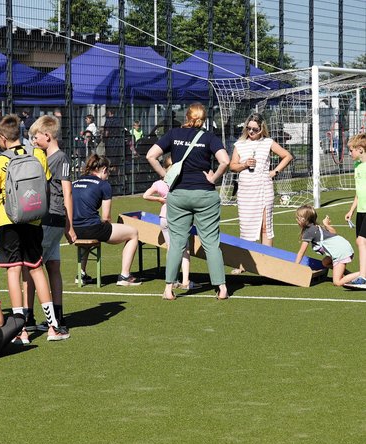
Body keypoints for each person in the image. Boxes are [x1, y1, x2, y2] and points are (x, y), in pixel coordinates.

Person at [0, 114, 69, 343]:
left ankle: (20, 331)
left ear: (2, 138)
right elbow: (46, 188)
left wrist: (4, 215)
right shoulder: (38, 154)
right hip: (34, 220)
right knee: (36, 269)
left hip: (8, 222)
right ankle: (53, 327)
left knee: (13, 271)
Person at [146, 102, 229, 300]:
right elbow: (225, 161)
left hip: (179, 194)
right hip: (205, 194)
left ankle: (168, 289)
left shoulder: (173, 134)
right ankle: (222, 288)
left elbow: (151, 155)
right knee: (211, 243)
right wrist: (213, 178)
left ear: (187, 117)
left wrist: (165, 176)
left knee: (177, 243)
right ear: (204, 119)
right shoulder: (209, 137)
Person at [26, 115, 77, 331]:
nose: (33, 140)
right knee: (53, 266)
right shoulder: (46, 156)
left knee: (31, 268)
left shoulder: (60, 158)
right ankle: (58, 316)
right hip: (54, 218)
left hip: (50, 217)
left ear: (47, 135)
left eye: (35, 137)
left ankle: (29, 319)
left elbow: (68, 191)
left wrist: (70, 225)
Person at [72, 154, 141, 286]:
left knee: (87, 234)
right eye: (108, 171)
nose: (108, 174)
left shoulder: (75, 182)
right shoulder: (104, 185)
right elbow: (106, 217)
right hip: (93, 229)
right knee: (133, 233)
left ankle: (81, 274)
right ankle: (125, 276)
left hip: (75, 230)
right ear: (103, 169)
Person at [229, 112, 293, 249]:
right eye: (249, 128)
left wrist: (274, 172)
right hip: (246, 191)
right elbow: (232, 166)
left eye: (255, 129)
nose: (251, 131)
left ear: (262, 129)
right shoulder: (239, 144)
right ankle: (243, 263)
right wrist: (244, 164)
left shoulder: (268, 142)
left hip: (264, 187)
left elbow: (287, 156)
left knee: (266, 226)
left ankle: (267, 260)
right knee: (245, 227)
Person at [143, 155, 196, 290]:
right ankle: (185, 281)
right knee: (185, 250)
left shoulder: (159, 184)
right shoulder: (183, 182)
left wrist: (160, 200)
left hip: (164, 218)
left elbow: (145, 195)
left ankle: (172, 280)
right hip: (178, 217)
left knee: (171, 249)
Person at [295, 205, 359, 287]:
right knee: (325, 263)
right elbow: (334, 233)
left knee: (337, 282)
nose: (296, 220)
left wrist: (295, 267)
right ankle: (349, 274)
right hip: (344, 246)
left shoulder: (309, 232)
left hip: (340, 252)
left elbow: (301, 252)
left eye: (298, 218)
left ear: (303, 219)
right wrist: (326, 224)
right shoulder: (317, 227)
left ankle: (362, 274)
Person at [344, 133, 366, 288]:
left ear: (360, 150)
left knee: (361, 241)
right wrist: (352, 210)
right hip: (361, 211)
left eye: (351, 150)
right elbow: (359, 192)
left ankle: (363, 277)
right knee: (361, 241)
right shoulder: (357, 166)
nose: (349, 153)